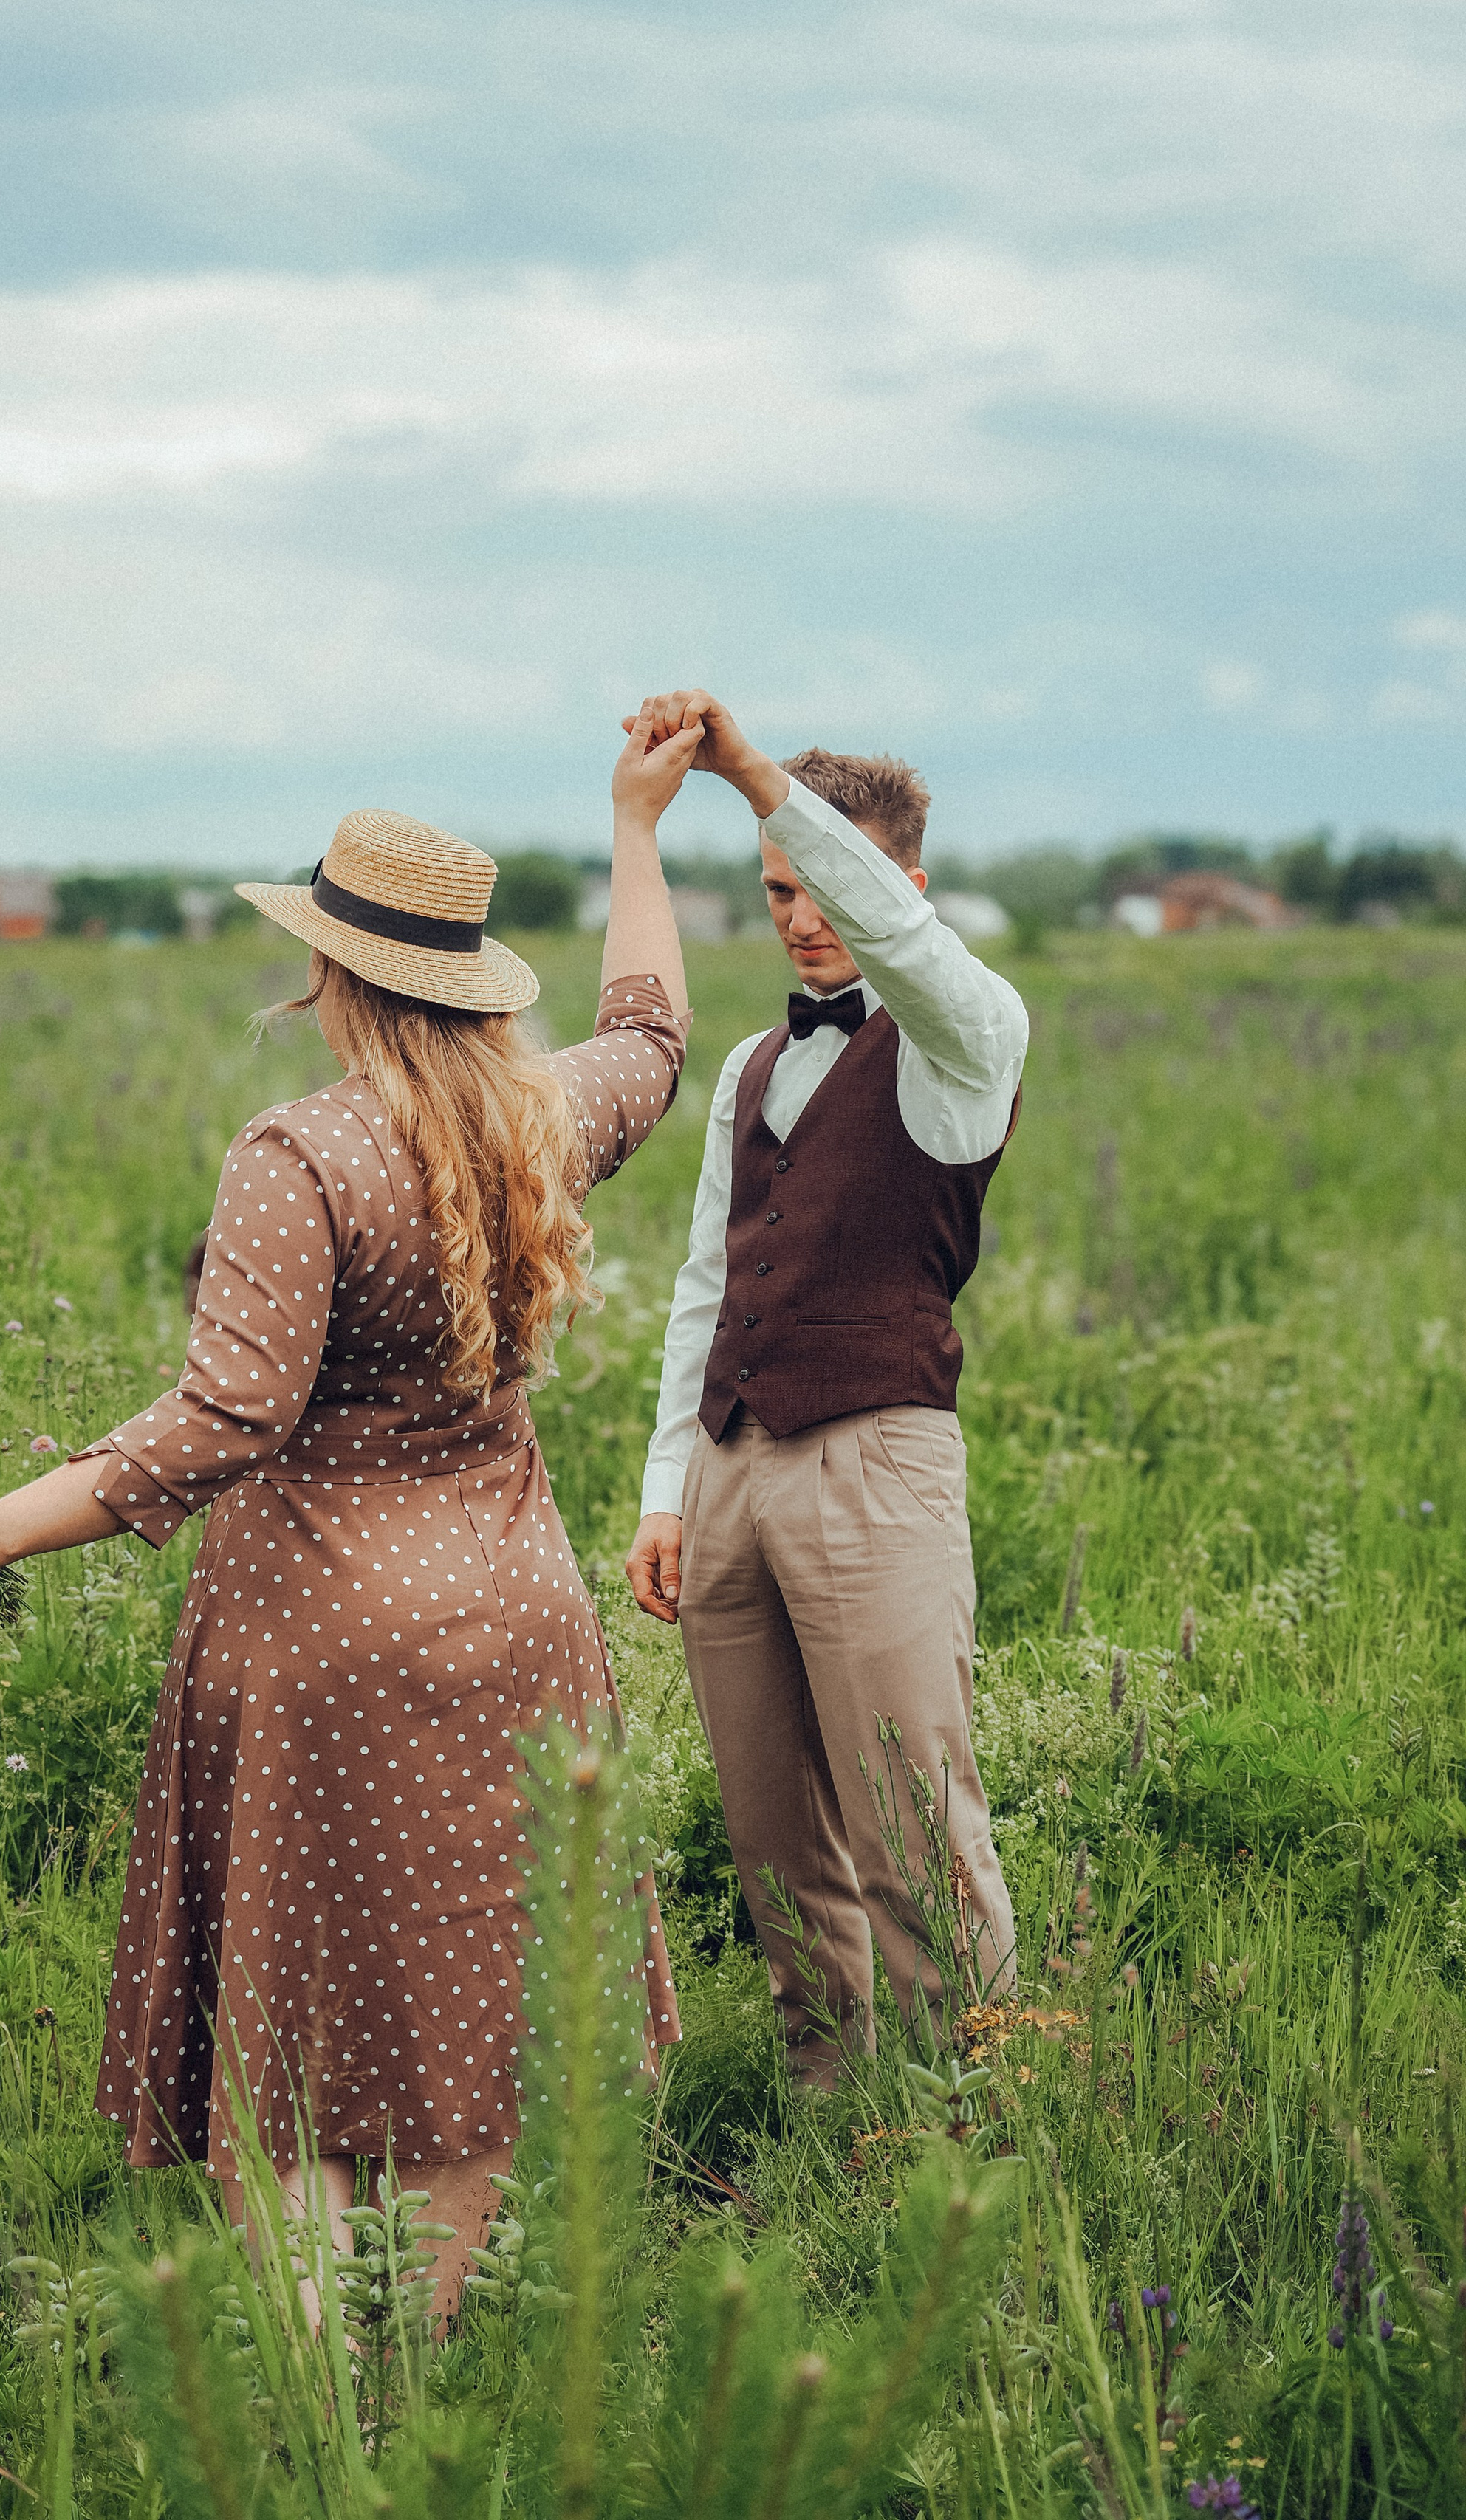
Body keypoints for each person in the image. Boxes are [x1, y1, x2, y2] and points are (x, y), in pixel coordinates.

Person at [0, 703, 702, 2320]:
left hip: (320, 1644)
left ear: (332, 974)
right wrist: (636, 829)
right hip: (515, 1628)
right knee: (468, 2013)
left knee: (305, 2014)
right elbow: (656, 1034)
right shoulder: (542, 1119)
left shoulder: (297, 1152)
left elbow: (224, 1418)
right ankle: (421, 2368)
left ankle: (333, 2410)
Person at [623, 687, 1026, 2083]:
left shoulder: (965, 1041)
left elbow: (907, 945)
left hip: (877, 1463)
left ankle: (965, 2107)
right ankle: (832, 2102)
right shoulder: (747, 1063)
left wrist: (751, 775)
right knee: (773, 1830)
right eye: (777, 889)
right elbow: (703, 1285)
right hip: (736, 1464)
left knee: (912, 1814)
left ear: (901, 884)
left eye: (822, 885)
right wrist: (670, 1490)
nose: (799, 916)